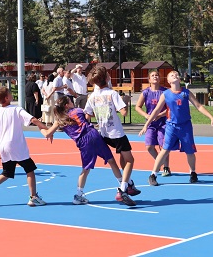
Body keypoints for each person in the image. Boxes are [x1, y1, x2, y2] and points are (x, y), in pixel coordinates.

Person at [42, 95, 135, 206]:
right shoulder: (78, 110)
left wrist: (39, 125)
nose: (73, 102)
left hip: (83, 142)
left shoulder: (59, 121)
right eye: (71, 101)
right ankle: (122, 188)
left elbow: (47, 134)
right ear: (67, 105)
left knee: (85, 170)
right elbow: (89, 116)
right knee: (111, 161)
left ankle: (79, 195)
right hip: (93, 135)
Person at [0, 86, 51, 208]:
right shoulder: (16, 110)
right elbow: (34, 120)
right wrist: (47, 129)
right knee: (29, 170)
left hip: (3, 146)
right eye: (9, 93)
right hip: (16, 146)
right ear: (6, 97)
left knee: (6, 173)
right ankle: (33, 197)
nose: (11, 94)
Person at [139, 70, 213, 184]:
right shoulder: (165, 94)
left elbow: (198, 106)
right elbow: (156, 111)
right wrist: (146, 125)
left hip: (185, 126)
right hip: (171, 126)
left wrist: (211, 117)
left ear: (179, 79)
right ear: (168, 81)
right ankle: (153, 175)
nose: (174, 75)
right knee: (165, 150)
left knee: (190, 151)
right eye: (172, 75)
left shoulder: (186, 92)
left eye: (176, 74)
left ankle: (193, 172)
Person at [84, 65, 141, 203]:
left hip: (103, 134)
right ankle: (122, 189)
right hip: (116, 133)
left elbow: (87, 116)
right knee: (130, 161)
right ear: (107, 78)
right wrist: (126, 102)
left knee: (122, 155)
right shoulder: (112, 93)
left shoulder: (92, 96)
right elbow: (124, 112)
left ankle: (129, 183)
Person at [135, 70, 171, 184]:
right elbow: (137, 107)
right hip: (150, 123)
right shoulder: (145, 92)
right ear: (149, 79)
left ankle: (166, 167)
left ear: (159, 79)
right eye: (152, 75)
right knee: (149, 146)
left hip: (163, 121)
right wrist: (147, 115)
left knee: (163, 145)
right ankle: (158, 163)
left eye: (157, 75)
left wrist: (159, 115)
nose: (155, 77)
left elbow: (169, 108)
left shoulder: (165, 91)